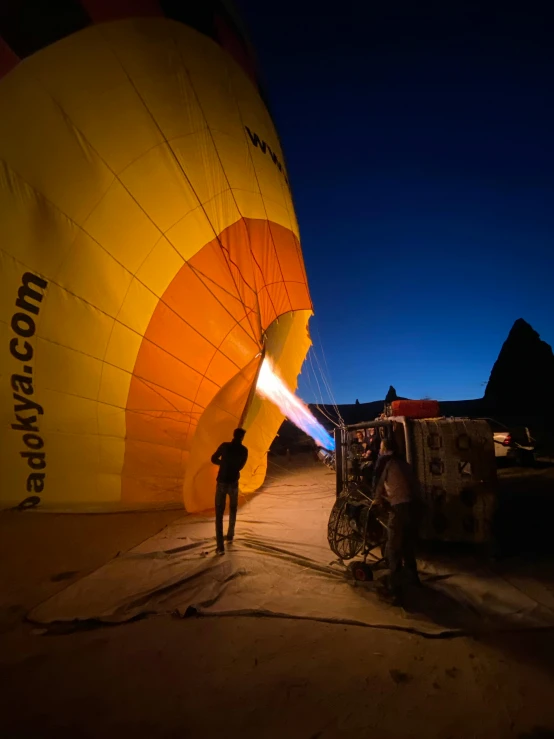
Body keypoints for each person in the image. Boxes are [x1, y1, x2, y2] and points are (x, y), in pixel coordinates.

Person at [373, 438, 421, 604]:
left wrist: (377, 501)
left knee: (393, 547)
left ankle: (394, 591)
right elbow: (410, 484)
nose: (379, 450)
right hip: (413, 506)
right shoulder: (403, 463)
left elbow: (379, 486)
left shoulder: (385, 462)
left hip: (399, 508)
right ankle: (414, 578)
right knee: (407, 543)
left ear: (385, 448)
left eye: (380, 447)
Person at [211, 428, 248, 555]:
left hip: (222, 483)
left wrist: (223, 463)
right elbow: (240, 467)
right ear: (242, 437)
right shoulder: (244, 451)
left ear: (233, 435)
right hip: (233, 484)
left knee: (219, 514)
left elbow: (213, 459)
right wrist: (232, 465)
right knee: (233, 509)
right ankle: (230, 535)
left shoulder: (225, 446)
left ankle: (220, 547)